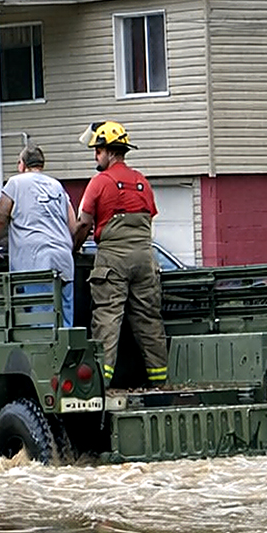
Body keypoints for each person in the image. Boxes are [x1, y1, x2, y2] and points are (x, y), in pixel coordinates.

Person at [72, 121, 168, 388]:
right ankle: (159, 382)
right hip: (145, 260)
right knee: (149, 320)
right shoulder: (141, 182)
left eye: (98, 150)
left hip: (112, 261)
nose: (95, 156)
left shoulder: (99, 183)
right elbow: (149, 218)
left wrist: (72, 248)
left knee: (107, 319)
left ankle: (102, 385)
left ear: (110, 151)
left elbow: (83, 224)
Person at [0, 144, 77, 327]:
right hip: (63, 259)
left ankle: (48, 356)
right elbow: (72, 224)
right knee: (65, 323)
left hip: (35, 262)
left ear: (22, 164)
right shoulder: (57, 186)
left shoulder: (15, 183)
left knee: (43, 323)